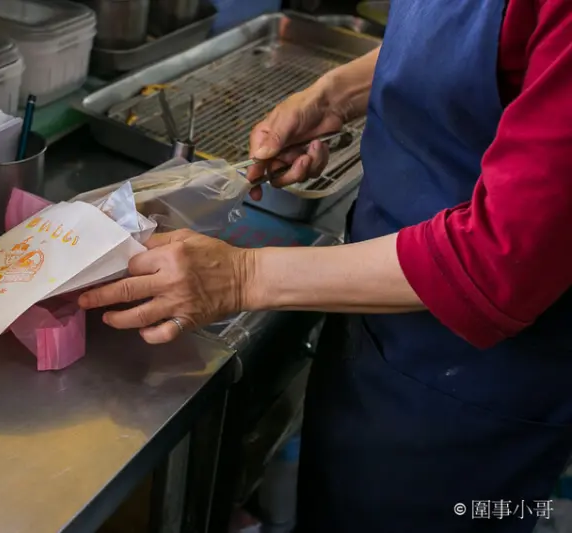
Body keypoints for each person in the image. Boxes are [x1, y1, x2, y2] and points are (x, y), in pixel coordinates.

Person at [79, 0, 572, 531]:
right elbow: (483, 49)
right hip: (382, 326)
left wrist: (243, 276)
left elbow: (501, 259)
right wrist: (336, 94)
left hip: (477, 386)